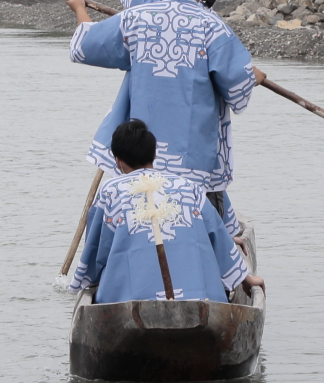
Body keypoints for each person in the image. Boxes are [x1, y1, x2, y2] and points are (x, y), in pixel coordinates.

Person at [68, 0, 263, 233]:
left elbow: (84, 46)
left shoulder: (137, 14)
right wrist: (254, 77)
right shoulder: (214, 28)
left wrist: (80, 10)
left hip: (138, 154)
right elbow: (237, 87)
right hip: (192, 157)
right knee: (208, 214)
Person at [68, 119, 260, 303]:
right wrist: (246, 279)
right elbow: (217, 234)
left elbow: (96, 246)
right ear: (154, 155)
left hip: (131, 298)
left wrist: (80, 283)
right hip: (198, 296)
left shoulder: (111, 190)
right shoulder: (188, 186)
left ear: (117, 161)